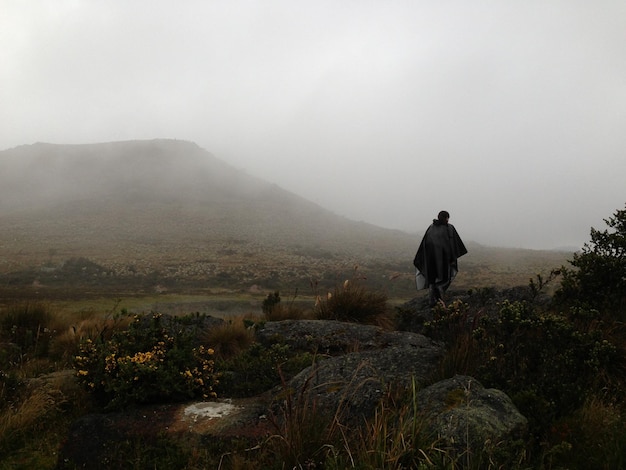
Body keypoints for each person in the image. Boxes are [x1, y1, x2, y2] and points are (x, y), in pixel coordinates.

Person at [413, 210, 468, 307]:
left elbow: (426, 244)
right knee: (444, 279)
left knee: (432, 279)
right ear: (445, 218)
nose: (447, 220)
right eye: (447, 218)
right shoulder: (449, 228)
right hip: (443, 259)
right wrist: (451, 258)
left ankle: (432, 300)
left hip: (431, 260)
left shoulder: (431, 228)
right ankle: (438, 297)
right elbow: (451, 244)